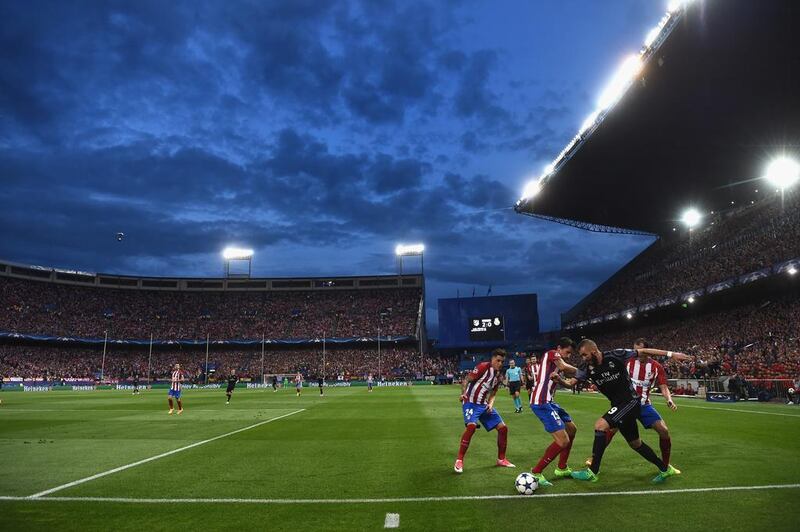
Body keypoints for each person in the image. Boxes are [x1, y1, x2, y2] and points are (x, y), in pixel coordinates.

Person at [561, 340, 690, 484]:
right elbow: (570, 383)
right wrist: (559, 380)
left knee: (600, 425)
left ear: (593, 351)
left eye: (584, 354)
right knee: (635, 443)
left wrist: (671, 354)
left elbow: (645, 351)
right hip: (619, 405)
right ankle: (665, 469)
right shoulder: (586, 367)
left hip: (631, 402)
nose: (583, 358)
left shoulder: (616, 355)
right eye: (581, 356)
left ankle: (592, 472)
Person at [587, 339, 679, 471]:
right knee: (609, 429)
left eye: (640, 350)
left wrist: (669, 399)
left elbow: (663, 387)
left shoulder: (656, 367)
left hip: (644, 405)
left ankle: (665, 464)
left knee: (663, 431)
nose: (637, 353)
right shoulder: (628, 362)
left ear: (646, 351)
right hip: (626, 403)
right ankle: (594, 459)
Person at [454, 348, 514, 473]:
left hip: (483, 405)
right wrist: (463, 393)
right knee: (471, 427)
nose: (500, 363)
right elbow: (466, 380)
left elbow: (493, 393)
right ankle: (459, 460)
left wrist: (491, 404)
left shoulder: (498, 376)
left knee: (503, 428)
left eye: (502, 361)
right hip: (470, 403)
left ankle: (501, 459)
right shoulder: (482, 367)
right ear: (492, 359)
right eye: (498, 360)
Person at [528, 338, 578, 487]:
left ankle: (561, 468)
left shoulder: (555, 368)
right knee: (563, 441)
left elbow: (569, 382)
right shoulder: (552, 354)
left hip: (550, 402)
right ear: (559, 348)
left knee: (572, 429)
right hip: (540, 402)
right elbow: (564, 366)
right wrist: (583, 370)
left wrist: (583, 375)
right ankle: (536, 472)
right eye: (567, 352)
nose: (568, 355)